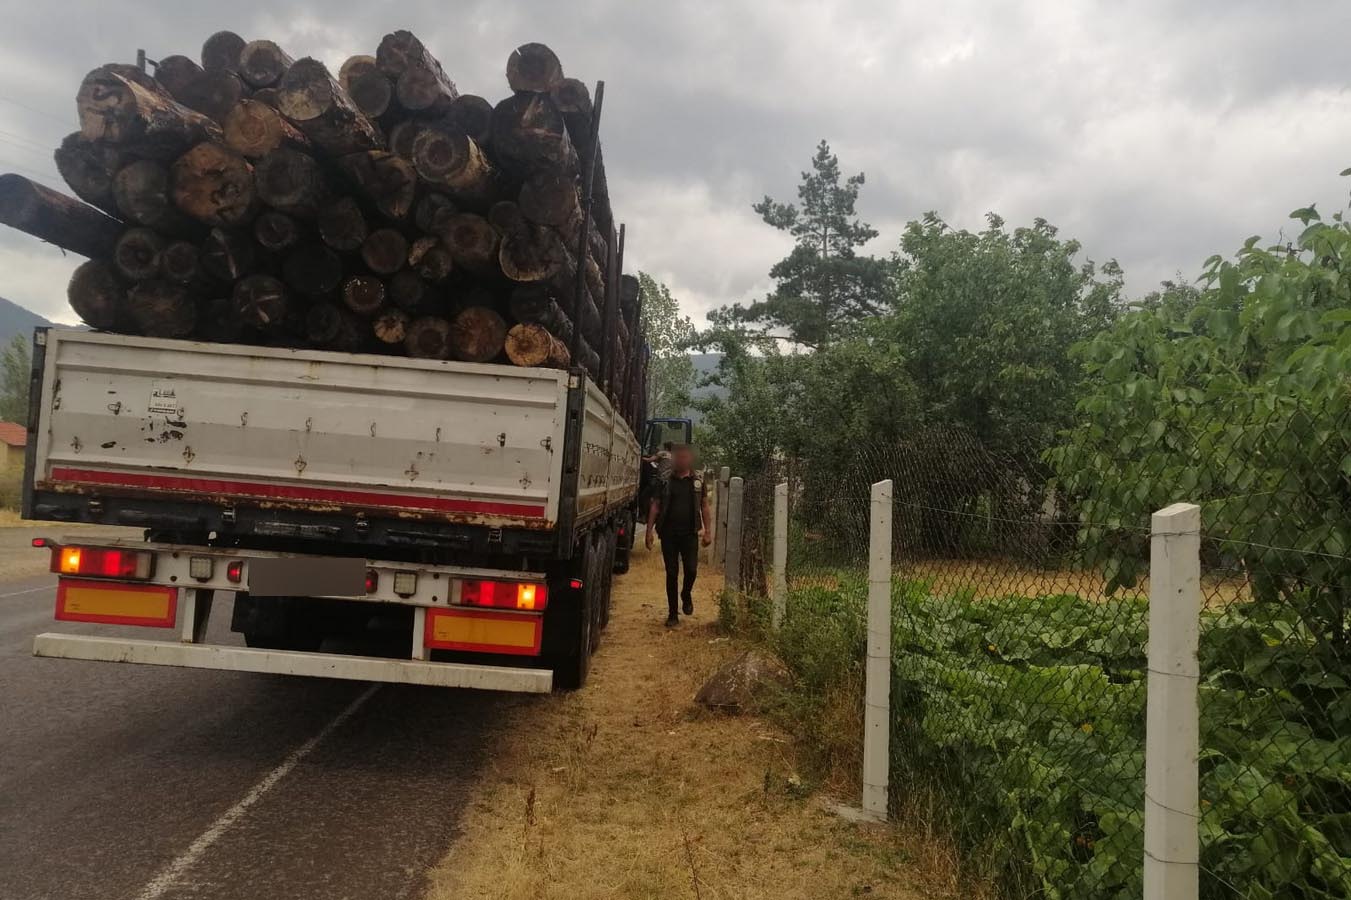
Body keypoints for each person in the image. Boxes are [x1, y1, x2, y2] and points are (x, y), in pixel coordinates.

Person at [645, 444, 712, 626]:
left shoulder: (697, 481)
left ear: (690, 459)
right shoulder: (665, 480)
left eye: (685, 457)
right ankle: (673, 614)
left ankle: (686, 594)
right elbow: (656, 505)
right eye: (678, 457)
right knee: (672, 573)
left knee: (691, 569)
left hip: (690, 534)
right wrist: (649, 531)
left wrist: (708, 531)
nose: (681, 460)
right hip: (668, 534)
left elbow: (704, 506)